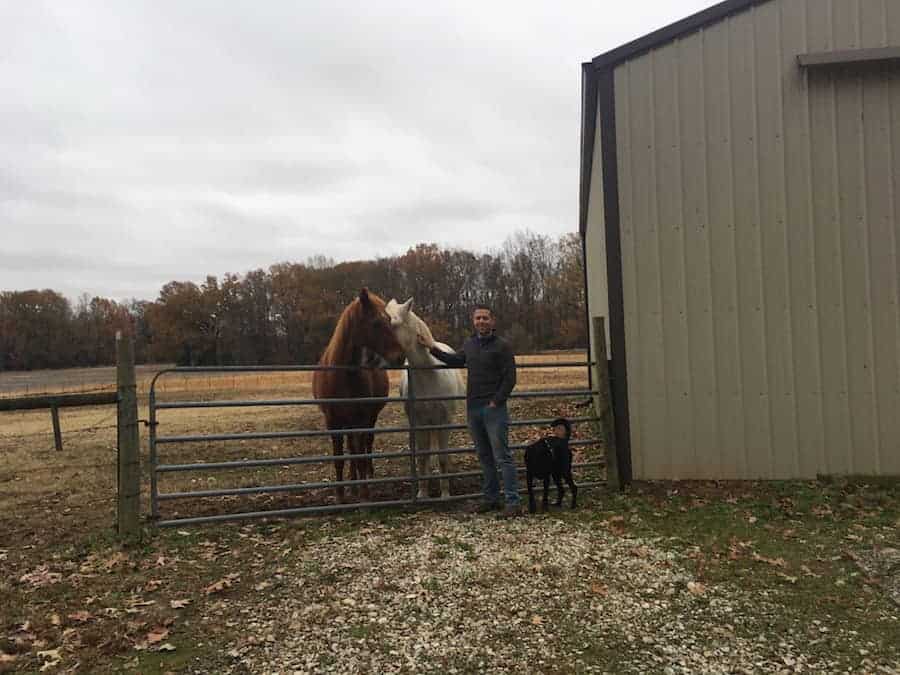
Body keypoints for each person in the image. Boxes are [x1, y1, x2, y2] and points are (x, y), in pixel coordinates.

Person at [417, 304, 521, 516]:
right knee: (484, 456)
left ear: (492, 321)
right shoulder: (470, 345)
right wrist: (431, 346)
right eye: (477, 318)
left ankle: (513, 502)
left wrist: (496, 401)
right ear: (473, 322)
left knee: (503, 456)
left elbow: (510, 378)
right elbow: (454, 360)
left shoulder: (502, 346)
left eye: (485, 318)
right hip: (474, 409)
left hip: (494, 410)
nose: (481, 321)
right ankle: (491, 499)